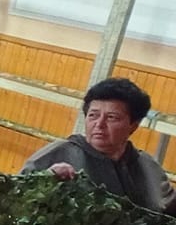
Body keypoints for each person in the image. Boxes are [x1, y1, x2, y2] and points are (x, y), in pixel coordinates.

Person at [21, 78, 174, 214]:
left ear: (133, 125)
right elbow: (15, 200)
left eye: (112, 117)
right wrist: (45, 181)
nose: (99, 125)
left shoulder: (147, 166)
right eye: (93, 115)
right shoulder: (58, 154)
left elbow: (169, 213)